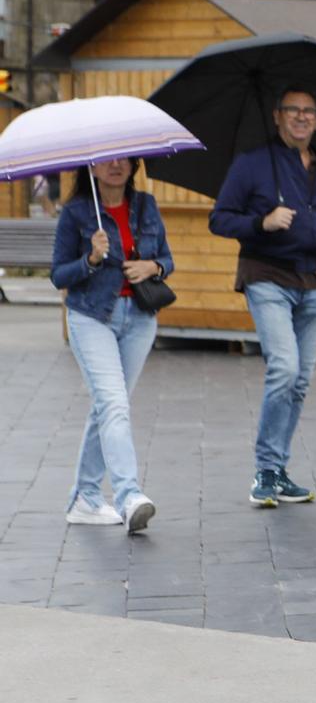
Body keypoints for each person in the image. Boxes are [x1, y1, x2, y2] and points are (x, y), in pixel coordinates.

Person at [208, 88, 316, 508]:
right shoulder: (252, 165)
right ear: (277, 117)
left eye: (309, 112)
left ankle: (279, 470)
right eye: (293, 110)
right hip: (266, 277)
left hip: (313, 284)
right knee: (283, 369)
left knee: (300, 382)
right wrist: (261, 222)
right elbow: (219, 219)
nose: (301, 117)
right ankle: (265, 469)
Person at [50, 158, 173, 534]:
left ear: (135, 165)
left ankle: (85, 498)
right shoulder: (76, 213)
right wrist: (91, 259)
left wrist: (153, 268)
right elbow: (58, 275)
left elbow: (166, 258)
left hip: (139, 317)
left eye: (124, 159)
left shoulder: (146, 206)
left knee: (108, 407)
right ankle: (129, 494)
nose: (116, 166)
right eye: (107, 160)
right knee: (114, 405)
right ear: (91, 168)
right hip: (91, 317)